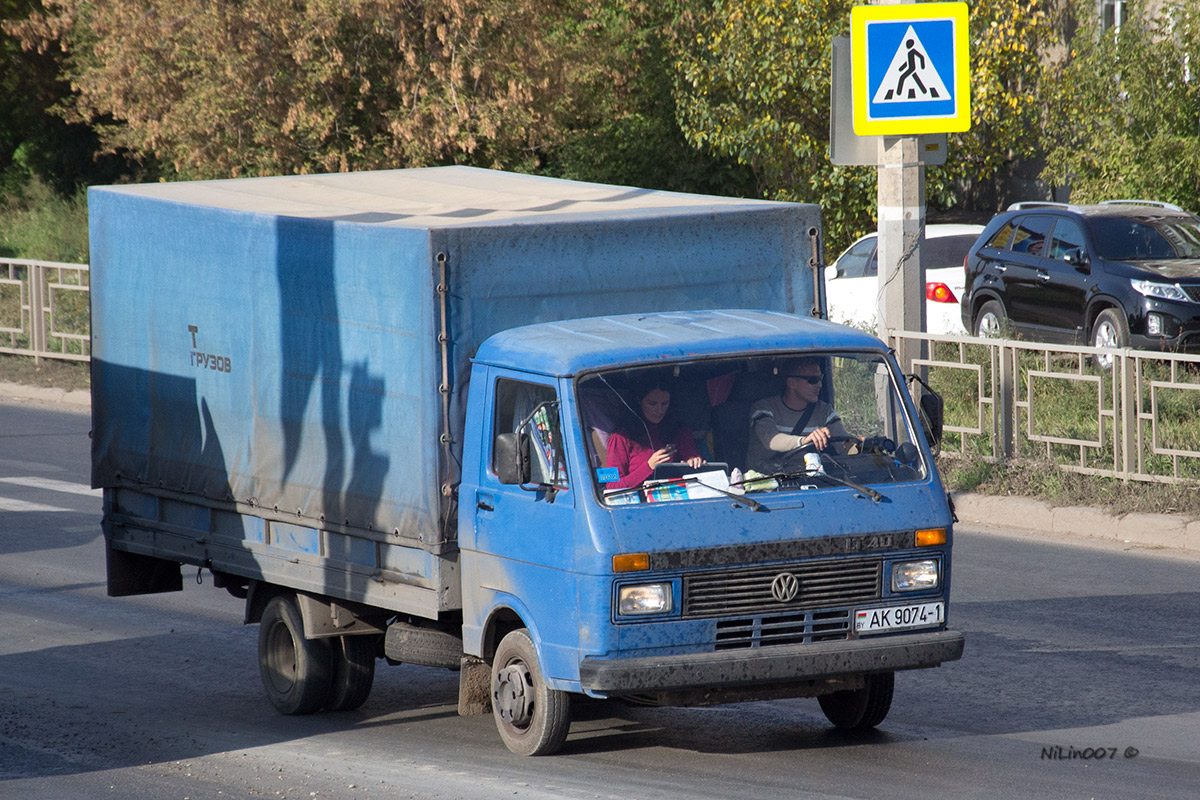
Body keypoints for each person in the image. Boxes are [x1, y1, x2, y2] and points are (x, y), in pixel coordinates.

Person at [746, 358, 853, 473]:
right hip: (766, 483)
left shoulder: (824, 411)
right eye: (813, 380)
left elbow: (845, 446)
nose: (819, 384)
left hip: (812, 480)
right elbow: (771, 440)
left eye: (820, 378)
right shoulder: (764, 408)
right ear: (792, 383)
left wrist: (862, 446)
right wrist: (804, 441)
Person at [605, 381, 704, 489]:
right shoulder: (620, 437)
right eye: (652, 404)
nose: (659, 410)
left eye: (665, 403)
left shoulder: (680, 430)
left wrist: (694, 462)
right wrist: (649, 466)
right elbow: (611, 485)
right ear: (639, 401)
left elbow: (691, 455)